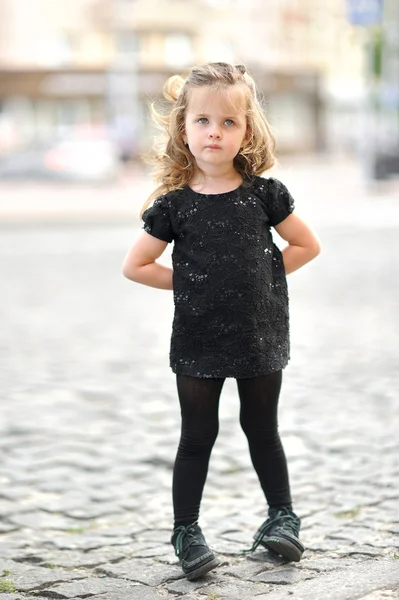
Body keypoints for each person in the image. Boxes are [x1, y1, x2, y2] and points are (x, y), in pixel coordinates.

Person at [122, 62, 321, 580]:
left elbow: (305, 244)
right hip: (198, 338)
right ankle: (186, 530)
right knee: (197, 436)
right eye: (203, 121)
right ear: (183, 129)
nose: (215, 132)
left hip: (259, 334)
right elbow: (136, 265)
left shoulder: (264, 195)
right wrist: (190, 285)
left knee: (262, 429)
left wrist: (265, 278)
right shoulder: (175, 206)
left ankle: (283, 519)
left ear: (246, 131)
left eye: (229, 123)